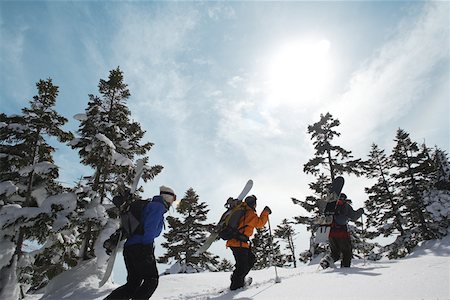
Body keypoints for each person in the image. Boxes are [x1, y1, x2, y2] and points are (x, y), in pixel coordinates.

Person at [105, 186, 176, 300]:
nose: (173, 203)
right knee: (151, 280)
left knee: (133, 284)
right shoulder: (158, 207)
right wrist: (147, 248)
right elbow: (150, 229)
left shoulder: (149, 205)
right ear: (169, 198)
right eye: (174, 199)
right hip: (141, 247)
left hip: (130, 248)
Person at [226, 195, 272, 290]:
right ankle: (236, 286)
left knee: (250, 260)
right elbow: (260, 224)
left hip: (238, 242)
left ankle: (239, 279)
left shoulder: (240, 209)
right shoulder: (250, 213)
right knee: (242, 266)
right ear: (254, 204)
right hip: (239, 243)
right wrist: (265, 212)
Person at [320, 193, 364, 269]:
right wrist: (360, 211)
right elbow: (354, 216)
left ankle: (326, 261)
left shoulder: (330, 206)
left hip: (330, 233)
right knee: (346, 251)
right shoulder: (345, 205)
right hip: (342, 233)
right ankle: (345, 268)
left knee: (335, 252)